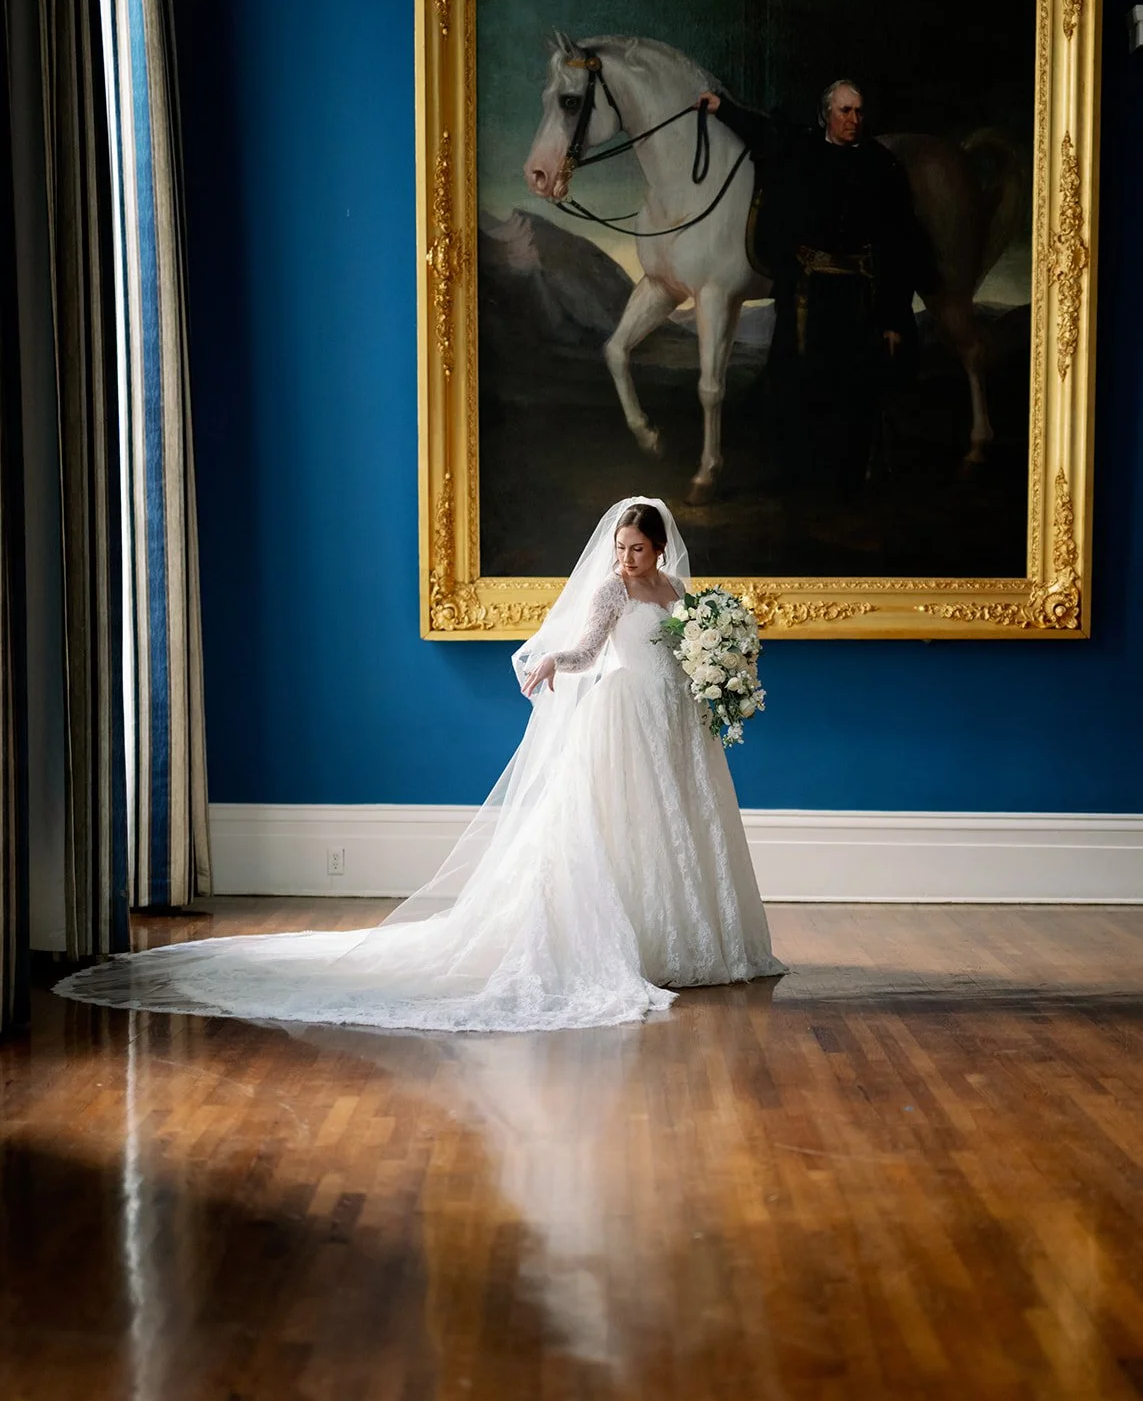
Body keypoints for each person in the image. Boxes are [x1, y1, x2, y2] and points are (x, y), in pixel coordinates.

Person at [56, 497, 785, 1032]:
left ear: (659, 548)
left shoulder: (685, 596)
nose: (624, 557)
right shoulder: (612, 591)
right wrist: (551, 660)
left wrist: (724, 670)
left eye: (634, 548)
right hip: (623, 714)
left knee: (677, 827)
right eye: (619, 547)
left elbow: (697, 653)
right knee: (617, 827)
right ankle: (634, 942)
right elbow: (590, 650)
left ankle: (698, 941)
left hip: (673, 724)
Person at [698, 79, 931, 498]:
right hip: (805, 296)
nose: (853, 121)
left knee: (854, 391)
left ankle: (847, 484)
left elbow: (901, 245)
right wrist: (722, 108)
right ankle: (798, 478)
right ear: (826, 114)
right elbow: (762, 131)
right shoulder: (802, 149)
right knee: (796, 385)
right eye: (845, 112)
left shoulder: (881, 166)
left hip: (860, 298)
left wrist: (895, 315)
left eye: (859, 112)